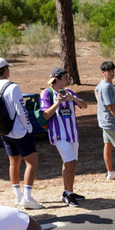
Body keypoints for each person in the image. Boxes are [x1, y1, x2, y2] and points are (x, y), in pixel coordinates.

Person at [0, 58, 42, 210]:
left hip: (4, 130)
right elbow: (21, 110)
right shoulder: (13, 87)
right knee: (32, 162)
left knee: (14, 162)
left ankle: (18, 196)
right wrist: (28, 127)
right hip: (19, 130)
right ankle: (28, 198)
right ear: (5, 70)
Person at [40, 66, 88, 207]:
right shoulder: (46, 93)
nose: (69, 80)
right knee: (71, 162)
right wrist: (58, 102)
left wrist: (72, 97)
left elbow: (84, 106)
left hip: (73, 134)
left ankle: (67, 192)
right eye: (66, 77)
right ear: (57, 79)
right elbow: (46, 114)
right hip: (59, 135)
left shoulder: (69, 91)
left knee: (70, 164)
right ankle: (70, 194)